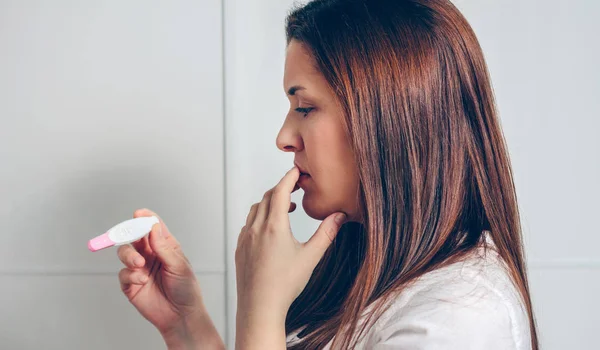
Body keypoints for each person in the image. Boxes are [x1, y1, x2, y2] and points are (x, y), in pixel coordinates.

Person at [116, 0, 539, 349]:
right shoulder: (368, 268)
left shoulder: (459, 319)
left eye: (304, 108)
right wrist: (188, 327)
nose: (284, 138)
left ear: (386, 118)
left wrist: (260, 307)